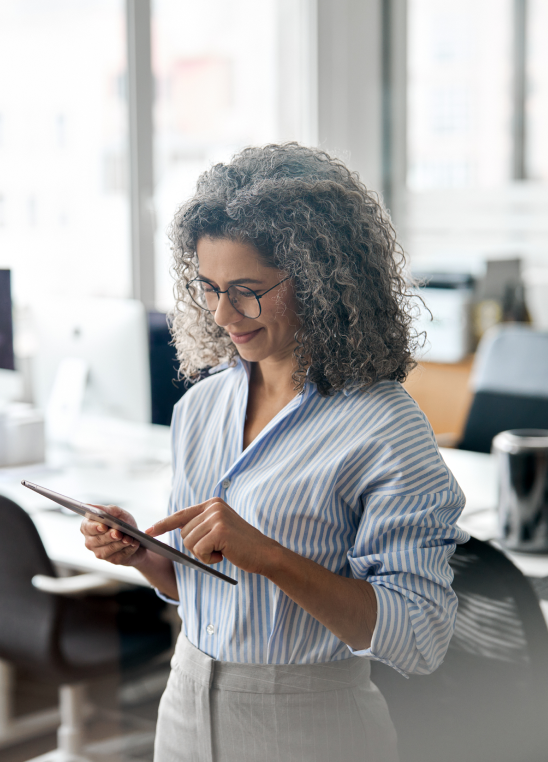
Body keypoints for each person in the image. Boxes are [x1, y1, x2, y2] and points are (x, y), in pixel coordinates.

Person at [81, 143, 468, 762]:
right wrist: (146, 557)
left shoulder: (383, 426)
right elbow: (209, 593)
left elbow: (419, 637)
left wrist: (271, 556)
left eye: (246, 289)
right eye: (208, 288)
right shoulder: (200, 408)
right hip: (184, 703)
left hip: (311, 727)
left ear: (318, 283)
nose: (222, 313)